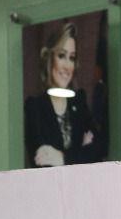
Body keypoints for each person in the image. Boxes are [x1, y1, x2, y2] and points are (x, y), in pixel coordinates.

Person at [24, 21, 105, 168]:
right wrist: (81, 151)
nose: (67, 66)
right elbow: (41, 161)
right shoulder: (34, 106)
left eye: (72, 58)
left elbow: (98, 149)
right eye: (61, 55)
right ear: (50, 58)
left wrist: (62, 158)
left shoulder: (78, 101)